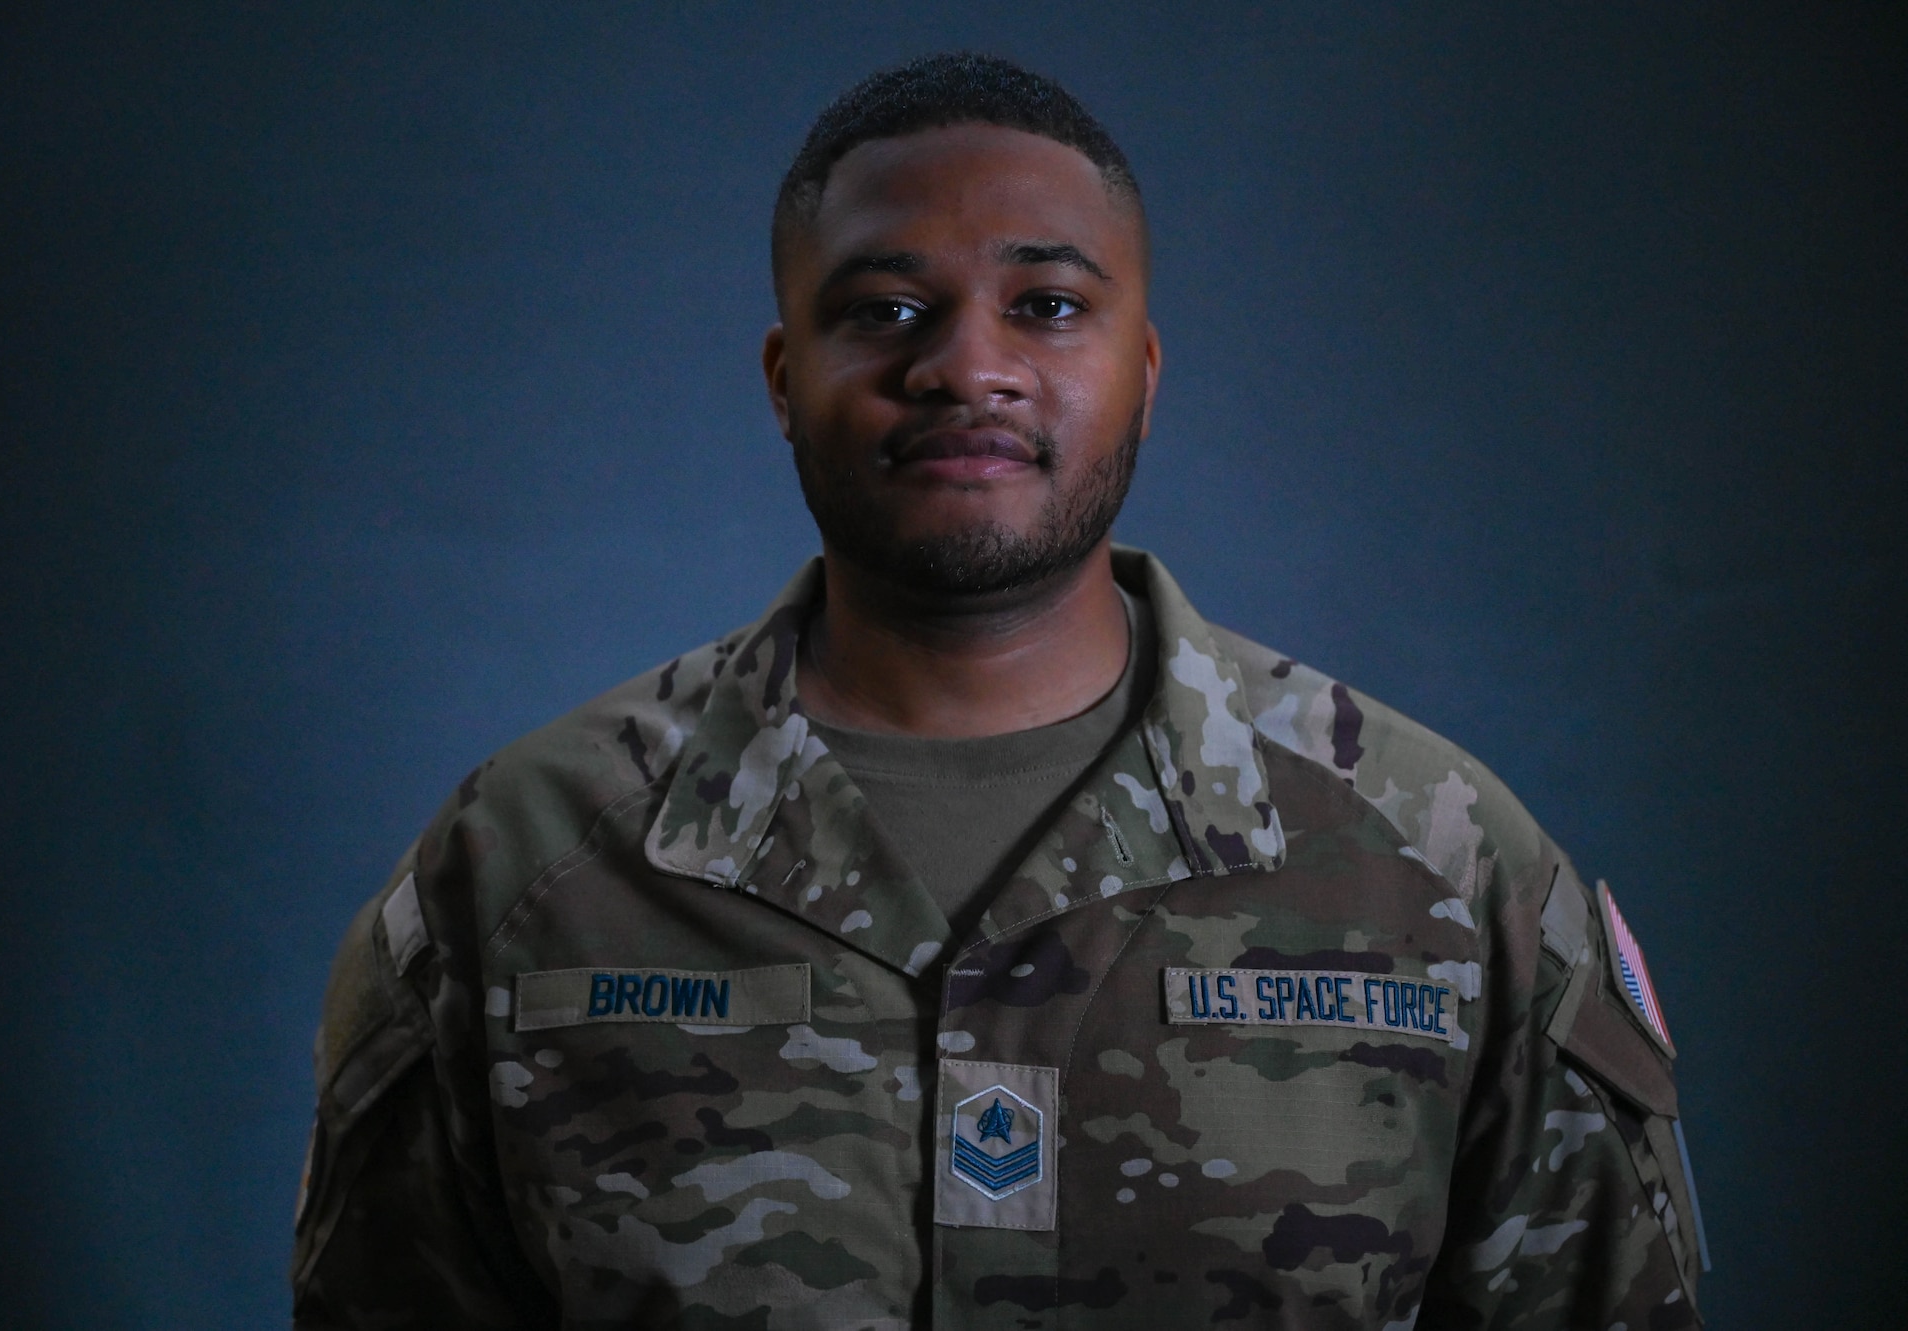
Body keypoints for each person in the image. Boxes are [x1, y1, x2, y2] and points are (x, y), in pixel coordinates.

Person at [291, 52, 1707, 1330]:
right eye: (886, 308)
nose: (968, 364)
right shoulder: (529, 865)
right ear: (786, 379)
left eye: (1046, 305)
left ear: (1142, 376)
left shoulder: (1440, 863)